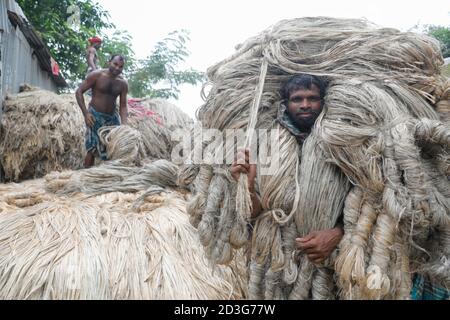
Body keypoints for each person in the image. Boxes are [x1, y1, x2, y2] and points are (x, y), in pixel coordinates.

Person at [230, 74, 344, 265]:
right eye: (297, 99)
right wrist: (247, 187)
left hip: (331, 262)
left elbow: (363, 202)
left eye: (312, 98)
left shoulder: (340, 144)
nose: (305, 105)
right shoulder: (268, 144)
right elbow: (254, 214)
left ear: (324, 101)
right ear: (285, 104)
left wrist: (336, 234)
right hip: (275, 260)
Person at [75, 54, 128, 168]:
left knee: (114, 146)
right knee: (92, 149)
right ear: (109, 62)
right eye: (115, 64)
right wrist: (86, 114)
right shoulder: (96, 75)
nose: (117, 68)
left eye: (121, 66)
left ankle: (109, 176)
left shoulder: (123, 84)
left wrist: (124, 125)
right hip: (94, 115)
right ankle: (85, 176)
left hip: (111, 119)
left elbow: (123, 105)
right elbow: (79, 92)